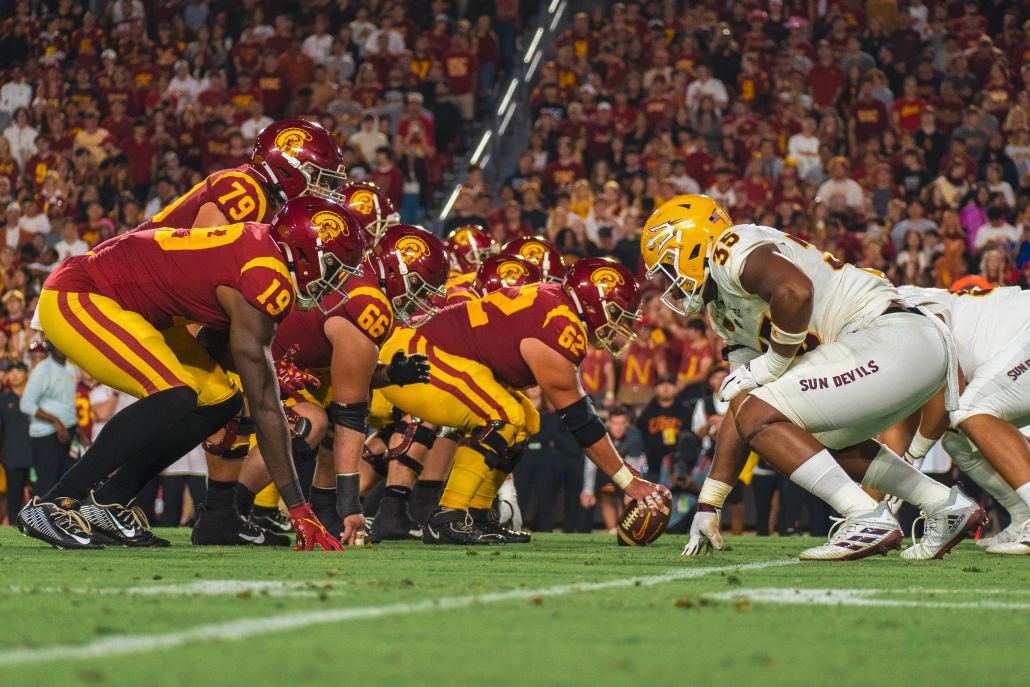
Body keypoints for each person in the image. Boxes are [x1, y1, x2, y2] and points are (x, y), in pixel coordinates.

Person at [642, 194, 983, 561]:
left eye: (667, 267)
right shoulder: (723, 312)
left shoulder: (732, 247)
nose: (669, 283)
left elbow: (794, 290)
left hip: (891, 336)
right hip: (901, 353)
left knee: (767, 418)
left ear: (692, 246)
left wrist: (773, 362)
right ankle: (943, 503)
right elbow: (742, 408)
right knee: (795, 437)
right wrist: (710, 502)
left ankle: (865, 516)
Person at [16, 197, 364, 552]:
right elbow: (264, 405)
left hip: (137, 307)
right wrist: (299, 510)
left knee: (220, 402)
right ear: (304, 254)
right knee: (176, 393)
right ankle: (56, 501)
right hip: (83, 292)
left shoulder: (266, 249)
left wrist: (269, 368)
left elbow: (215, 339)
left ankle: (110, 500)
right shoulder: (267, 276)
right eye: (334, 269)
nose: (334, 284)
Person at [376, 258, 668, 545]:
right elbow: (582, 421)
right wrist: (629, 482)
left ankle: (477, 516)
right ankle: (448, 515)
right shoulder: (560, 327)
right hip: (416, 357)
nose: (620, 326)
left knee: (527, 419)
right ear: (591, 304)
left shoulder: (556, 302)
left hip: (434, 353)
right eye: (616, 313)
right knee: (505, 414)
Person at [231, 225, 442, 545]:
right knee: (311, 423)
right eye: (421, 289)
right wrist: (351, 505)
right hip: (253, 361)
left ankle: (323, 508)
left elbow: (350, 371)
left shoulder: (362, 280)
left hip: (278, 360)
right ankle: (231, 510)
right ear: (401, 273)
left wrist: (389, 375)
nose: (421, 301)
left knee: (328, 410)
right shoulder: (370, 301)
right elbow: (351, 414)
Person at [894, 285, 1030, 555]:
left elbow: (951, 379)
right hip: (1013, 356)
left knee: (969, 409)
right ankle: (1022, 515)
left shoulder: (901, 303)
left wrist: (914, 456)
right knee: (958, 440)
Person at [20, 340, 80, 499]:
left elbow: (69, 405)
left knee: (66, 482)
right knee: (47, 482)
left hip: (68, 432)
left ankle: (58, 521)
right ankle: (36, 519)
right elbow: (26, 404)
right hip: (45, 434)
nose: (61, 347)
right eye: (57, 343)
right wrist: (55, 421)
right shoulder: (42, 370)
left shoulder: (72, 369)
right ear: (50, 346)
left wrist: (79, 433)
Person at [581, 405, 646, 534]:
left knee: (628, 498)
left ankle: (624, 531)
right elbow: (591, 463)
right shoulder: (598, 434)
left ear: (627, 423)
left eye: (622, 423)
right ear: (608, 422)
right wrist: (588, 490)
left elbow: (637, 463)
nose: (619, 427)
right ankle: (612, 531)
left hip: (628, 469)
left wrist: (632, 488)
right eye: (615, 423)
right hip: (603, 467)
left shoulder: (634, 436)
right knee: (607, 494)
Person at [636, 375, 694, 477]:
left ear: (676, 389)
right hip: (652, 467)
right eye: (662, 384)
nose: (666, 387)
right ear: (656, 389)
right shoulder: (647, 412)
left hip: (679, 467)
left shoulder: (686, 411)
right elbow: (640, 436)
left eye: (670, 384)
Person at [1, 362, 32, 527]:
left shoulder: (34, 398)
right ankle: (14, 529)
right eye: (10, 371)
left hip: (36, 456)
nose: (13, 374)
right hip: (12, 457)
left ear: (27, 374)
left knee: (40, 496)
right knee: (13, 498)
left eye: (18, 370)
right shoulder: (4, 400)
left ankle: (38, 527)